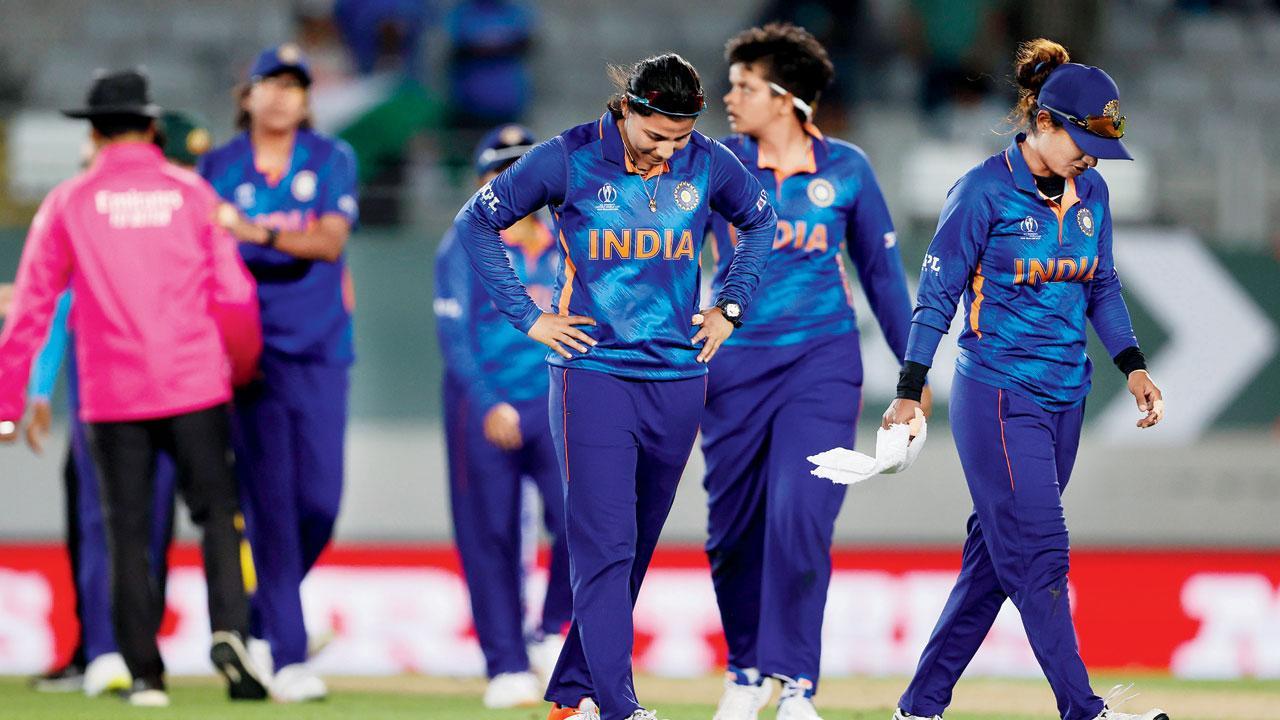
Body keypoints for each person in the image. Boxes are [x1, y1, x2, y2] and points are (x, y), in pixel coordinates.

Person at [453, 53, 777, 720]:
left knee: (634, 548)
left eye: (680, 139)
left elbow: (760, 222)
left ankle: (572, 694)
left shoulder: (709, 161)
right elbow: (475, 223)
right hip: (592, 373)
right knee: (605, 546)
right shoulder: (565, 158)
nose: (667, 153)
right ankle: (618, 706)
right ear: (627, 110)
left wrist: (731, 306)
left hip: (681, 378)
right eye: (657, 136)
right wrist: (529, 317)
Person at [884, 40, 1168, 720]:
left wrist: (1132, 365)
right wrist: (911, 383)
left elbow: (1101, 284)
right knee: (1041, 554)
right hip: (1000, 395)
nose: (1092, 159)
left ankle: (917, 709)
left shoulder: (1092, 190)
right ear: (1043, 122)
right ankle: (1084, 711)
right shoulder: (981, 191)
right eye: (1081, 141)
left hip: (1067, 395)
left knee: (993, 565)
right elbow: (937, 294)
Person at [0, 68, 266, 707]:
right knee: (218, 520)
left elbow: (32, 307)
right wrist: (238, 367)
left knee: (124, 533)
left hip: (113, 397)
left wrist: (8, 404)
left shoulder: (67, 202)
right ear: (152, 127)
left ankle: (144, 674)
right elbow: (234, 293)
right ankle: (232, 631)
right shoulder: (193, 194)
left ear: (91, 131)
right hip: (195, 384)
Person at [703, 23, 920, 720]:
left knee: (801, 517)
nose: (728, 97)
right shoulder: (713, 165)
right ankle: (744, 672)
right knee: (732, 534)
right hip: (730, 371)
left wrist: (912, 384)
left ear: (786, 96)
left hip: (821, 366)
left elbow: (884, 279)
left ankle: (795, 683)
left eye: (743, 86)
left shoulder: (848, 170)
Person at [24, 110, 214, 698]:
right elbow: (61, 301)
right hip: (127, 384)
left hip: (145, 386)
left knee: (135, 523)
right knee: (111, 519)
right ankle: (105, 647)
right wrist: (38, 385)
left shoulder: (149, 203)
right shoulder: (109, 201)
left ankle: (122, 648)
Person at [198, 43, 359, 703]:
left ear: (306, 98)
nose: (282, 96)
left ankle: (261, 615)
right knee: (269, 503)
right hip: (246, 354)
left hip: (319, 348)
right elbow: (205, 248)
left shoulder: (330, 158)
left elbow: (327, 241)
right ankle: (288, 657)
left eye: (295, 86)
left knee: (320, 502)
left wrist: (254, 232)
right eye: (269, 83)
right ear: (247, 95)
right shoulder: (217, 166)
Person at [434, 124, 572, 708]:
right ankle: (506, 663)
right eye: (501, 170)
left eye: (523, 168)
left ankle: (550, 630)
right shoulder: (464, 245)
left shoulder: (568, 243)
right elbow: (454, 336)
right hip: (483, 407)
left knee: (579, 522)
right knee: (488, 535)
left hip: (554, 404)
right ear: (483, 182)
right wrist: (488, 402)